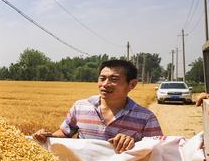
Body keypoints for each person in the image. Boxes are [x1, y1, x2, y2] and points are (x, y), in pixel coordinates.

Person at [32, 59, 163, 153]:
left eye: (114, 79)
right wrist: (48, 137)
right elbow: (65, 132)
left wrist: (135, 144)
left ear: (132, 84)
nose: (105, 84)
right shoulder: (81, 107)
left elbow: (158, 151)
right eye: (102, 78)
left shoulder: (146, 118)